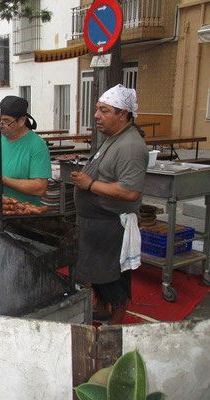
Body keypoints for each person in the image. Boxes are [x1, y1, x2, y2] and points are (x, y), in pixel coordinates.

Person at [70, 84, 149, 325]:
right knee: (97, 275)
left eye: (104, 111)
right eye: (97, 110)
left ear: (123, 115)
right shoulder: (113, 138)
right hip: (95, 223)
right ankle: (102, 309)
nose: (96, 116)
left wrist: (90, 184)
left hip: (112, 226)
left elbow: (130, 191)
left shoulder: (131, 146)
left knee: (114, 279)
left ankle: (115, 324)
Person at [0, 96, 51, 206]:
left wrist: (4, 180)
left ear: (22, 121)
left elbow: (39, 187)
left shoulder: (37, 145)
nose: (1, 125)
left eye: (6, 121)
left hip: (24, 213)